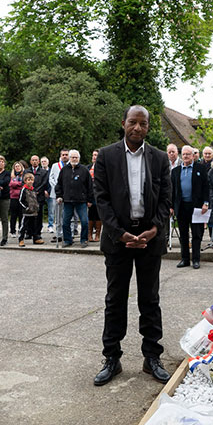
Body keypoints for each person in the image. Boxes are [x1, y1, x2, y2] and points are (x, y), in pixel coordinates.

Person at [92, 105, 172, 386]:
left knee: (150, 300)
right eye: (133, 122)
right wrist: (120, 233)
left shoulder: (160, 158)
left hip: (150, 239)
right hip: (118, 241)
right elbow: (101, 198)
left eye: (143, 123)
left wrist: (154, 229)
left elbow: (165, 199)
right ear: (123, 122)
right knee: (115, 300)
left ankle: (152, 357)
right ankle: (111, 358)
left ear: (148, 126)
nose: (138, 128)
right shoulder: (106, 156)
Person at [171, 144, 209, 269]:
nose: (186, 156)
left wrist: (206, 203)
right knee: (183, 234)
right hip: (181, 207)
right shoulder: (175, 171)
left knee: (197, 234)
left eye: (188, 154)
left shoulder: (201, 168)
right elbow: (172, 190)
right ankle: (185, 259)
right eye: (184, 154)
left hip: (197, 207)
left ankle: (196, 259)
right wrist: (171, 206)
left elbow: (206, 188)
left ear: (193, 156)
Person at [55, 149, 92, 247]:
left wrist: (90, 200)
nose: (74, 159)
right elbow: (59, 184)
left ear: (79, 158)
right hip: (67, 200)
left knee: (84, 221)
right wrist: (59, 196)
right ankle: (68, 240)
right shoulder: (64, 170)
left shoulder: (84, 170)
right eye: (72, 157)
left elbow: (90, 186)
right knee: (65, 222)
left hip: (81, 201)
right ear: (69, 158)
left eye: (76, 157)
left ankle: (84, 240)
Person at [48, 148, 69, 242]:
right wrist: (57, 186)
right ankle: (58, 234)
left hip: (68, 193)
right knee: (58, 215)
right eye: (63, 155)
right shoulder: (55, 165)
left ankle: (68, 234)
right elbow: (51, 178)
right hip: (56, 193)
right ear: (60, 156)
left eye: (66, 155)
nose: (65, 156)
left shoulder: (70, 165)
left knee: (68, 215)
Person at [18, 171, 43, 246]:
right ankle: (21, 239)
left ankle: (35, 239)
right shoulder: (23, 190)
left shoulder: (34, 190)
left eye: (31, 180)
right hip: (26, 212)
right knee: (24, 226)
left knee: (34, 226)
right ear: (25, 181)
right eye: (28, 180)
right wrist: (26, 207)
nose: (30, 181)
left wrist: (37, 206)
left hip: (34, 212)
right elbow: (20, 200)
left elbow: (35, 199)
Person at [28, 154, 49, 240]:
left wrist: (37, 191)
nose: (34, 161)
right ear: (30, 161)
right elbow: (24, 182)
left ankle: (37, 233)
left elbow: (44, 183)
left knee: (39, 216)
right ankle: (29, 232)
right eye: (33, 160)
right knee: (29, 215)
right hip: (29, 196)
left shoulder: (44, 172)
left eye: (36, 160)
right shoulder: (27, 171)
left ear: (39, 161)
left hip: (39, 196)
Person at [88, 149, 102, 242]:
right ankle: (89, 234)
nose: (94, 157)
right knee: (90, 214)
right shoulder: (88, 168)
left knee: (98, 214)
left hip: (99, 194)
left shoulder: (102, 168)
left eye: (96, 155)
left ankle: (97, 234)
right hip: (90, 195)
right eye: (93, 155)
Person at [9, 161, 25, 236]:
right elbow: (11, 184)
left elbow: (24, 185)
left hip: (21, 197)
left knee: (21, 215)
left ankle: (21, 230)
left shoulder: (24, 176)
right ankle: (12, 231)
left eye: (19, 166)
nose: (17, 167)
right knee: (13, 215)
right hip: (13, 197)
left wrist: (16, 185)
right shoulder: (12, 176)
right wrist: (19, 184)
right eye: (16, 166)